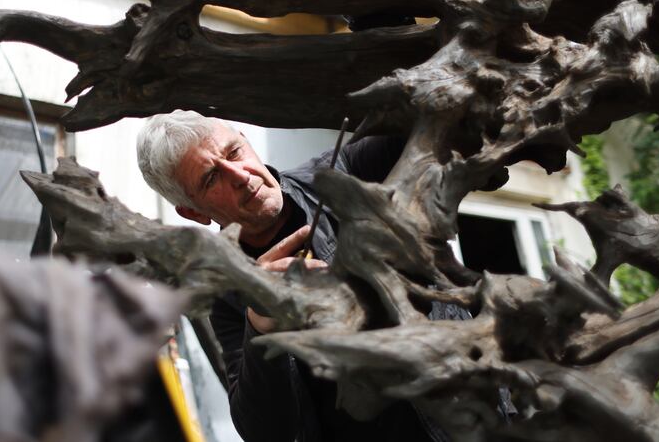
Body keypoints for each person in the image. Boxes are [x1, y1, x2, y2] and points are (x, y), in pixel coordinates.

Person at [137, 110, 444, 442]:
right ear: (193, 212)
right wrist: (262, 320)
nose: (240, 176)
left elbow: (439, 118)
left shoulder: (346, 173)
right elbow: (262, 430)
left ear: (246, 141)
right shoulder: (224, 290)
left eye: (234, 152)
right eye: (211, 177)